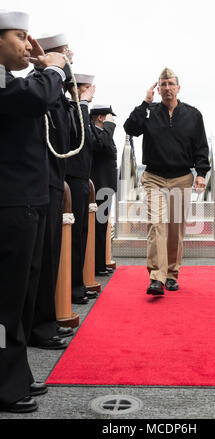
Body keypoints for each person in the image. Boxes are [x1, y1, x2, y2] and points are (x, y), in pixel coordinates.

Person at [0, 10, 66, 412]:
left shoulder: (11, 79)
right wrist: (54, 68)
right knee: (6, 302)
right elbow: (36, 96)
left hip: (27, 200)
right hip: (9, 202)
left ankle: (16, 373)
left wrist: (45, 68)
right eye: (21, 36)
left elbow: (38, 96)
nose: (28, 45)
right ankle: (5, 385)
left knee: (22, 298)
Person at [124, 68, 210, 295]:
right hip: (153, 178)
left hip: (182, 178)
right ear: (158, 88)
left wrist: (201, 173)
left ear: (178, 88)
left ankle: (172, 274)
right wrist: (144, 103)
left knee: (175, 229)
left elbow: (201, 146)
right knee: (156, 224)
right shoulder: (149, 112)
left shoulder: (193, 115)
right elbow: (129, 128)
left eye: (171, 84)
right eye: (163, 84)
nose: (167, 88)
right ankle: (156, 277)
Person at [28, 32, 76, 350]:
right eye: (66, 54)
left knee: (50, 256)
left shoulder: (58, 91)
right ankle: (37, 326)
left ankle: (45, 321)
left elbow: (69, 138)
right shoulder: (38, 86)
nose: (70, 60)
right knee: (38, 259)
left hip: (54, 180)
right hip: (39, 182)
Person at [65, 73, 97, 304]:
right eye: (87, 88)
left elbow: (92, 143)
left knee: (82, 236)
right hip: (72, 178)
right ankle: (73, 287)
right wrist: (83, 104)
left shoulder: (80, 111)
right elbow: (80, 138)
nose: (91, 92)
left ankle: (78, 284)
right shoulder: (72, 109)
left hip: (82, 180)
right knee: (74, 237)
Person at [89, 104, 118, 276]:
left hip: (104, 187)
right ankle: (97, 265)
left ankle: (99, 263)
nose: (112, 119)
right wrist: (109, 126)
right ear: (101, 118)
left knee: (101, 227)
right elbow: (104, 145)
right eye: (109, 116)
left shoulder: (102, 134)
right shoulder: (97, 133)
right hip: (100, 187)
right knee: (98, 227)